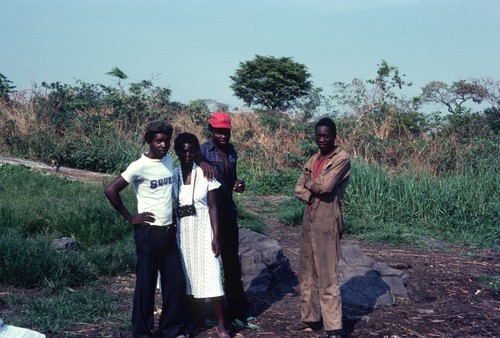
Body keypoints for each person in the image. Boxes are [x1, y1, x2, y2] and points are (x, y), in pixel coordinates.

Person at [104, 120, 187, 338]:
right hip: (148, 233)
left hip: (168, 233)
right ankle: (141, 331)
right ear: (149, 141)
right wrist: (130, 217)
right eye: (158, 140)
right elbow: (111, 189)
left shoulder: (169, 161)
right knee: (146, 284)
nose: (163, 145)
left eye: (166, 141)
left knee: (175, 282)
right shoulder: (138, 166)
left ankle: (171, 329)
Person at [291, 117, 350, 338]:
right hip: (309, 216)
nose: (322, 139)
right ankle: (310, 319)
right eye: (319, 135)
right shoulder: (312, 159)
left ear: (334, 136)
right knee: (307, 272)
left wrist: (310, 185)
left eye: (326, 135)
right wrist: (310, 194)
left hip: (328, 218)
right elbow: (298, 187)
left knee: (327, 274)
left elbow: (326, 186)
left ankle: (333, 325)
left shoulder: (341, 158)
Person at [172, 132, 229, 338]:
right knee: (187, 278)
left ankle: (221, 324)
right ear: (177, 151)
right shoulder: (173, 174)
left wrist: (216, 236)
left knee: (212, 275)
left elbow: (213, 207)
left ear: (197, 151)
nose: (187, 154)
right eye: (183, 150)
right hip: (183, 235)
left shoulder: (206, 173)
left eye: (191, 150)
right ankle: (190, 322)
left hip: (203, 230)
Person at [199, 112, 251, 325]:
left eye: (226, 131)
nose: (223, 135)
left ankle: (237, 310)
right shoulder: (201, 151)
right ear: (211, 130)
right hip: (208, 215)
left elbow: (231, 179)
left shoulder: (231, 151)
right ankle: (203, 312)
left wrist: (238, 184)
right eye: (218, 131)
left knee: (231, 264)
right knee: (207, 264)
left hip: (228, 213)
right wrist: (199, 163)